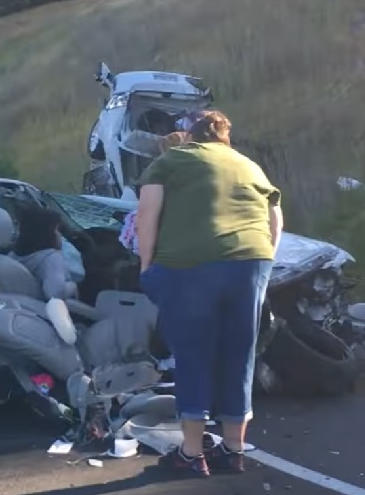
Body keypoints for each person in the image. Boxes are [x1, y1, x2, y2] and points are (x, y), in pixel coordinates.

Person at [134, 110, 283, 476]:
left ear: (188, 134)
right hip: (253, 261)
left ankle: (190, 453)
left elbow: (146, 217)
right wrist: (263, 262)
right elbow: (275, 218)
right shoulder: (249, 165)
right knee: (239, 353)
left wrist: (146, 267)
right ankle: (233, 451)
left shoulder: (170, 162)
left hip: (190, 265)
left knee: (193, 354)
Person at [12, 207, 77, 301]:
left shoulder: (13, 254)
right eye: (57, 230)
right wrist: (73, 286)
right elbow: (55, 293)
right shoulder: (52, 258)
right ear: (46, 233)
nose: (60, 235)